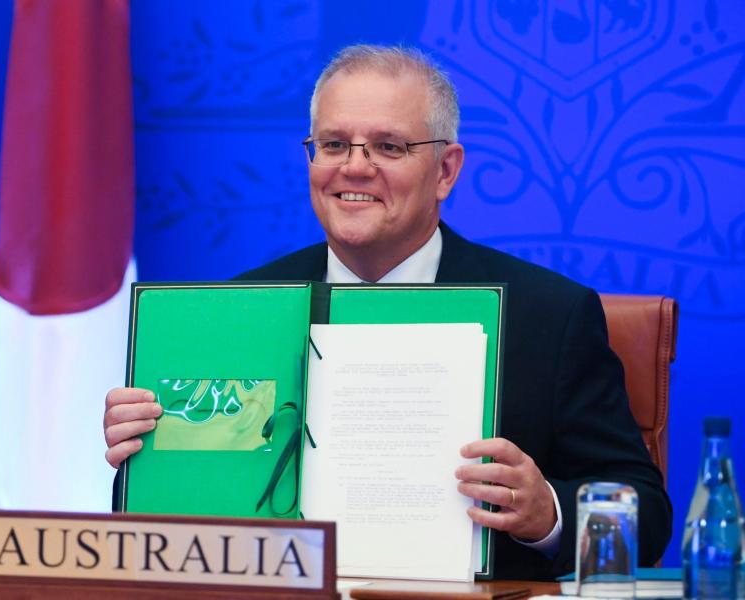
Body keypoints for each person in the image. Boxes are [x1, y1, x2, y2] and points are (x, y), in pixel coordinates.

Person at [104, 44, 671, 580]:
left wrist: (545, 512)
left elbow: (646, 518)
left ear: (446, 171)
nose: (354, 167)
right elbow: (174, 524)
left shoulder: (550, 314)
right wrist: (148, 452)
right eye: (332, 144)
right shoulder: (234, 310)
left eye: (388, 146)